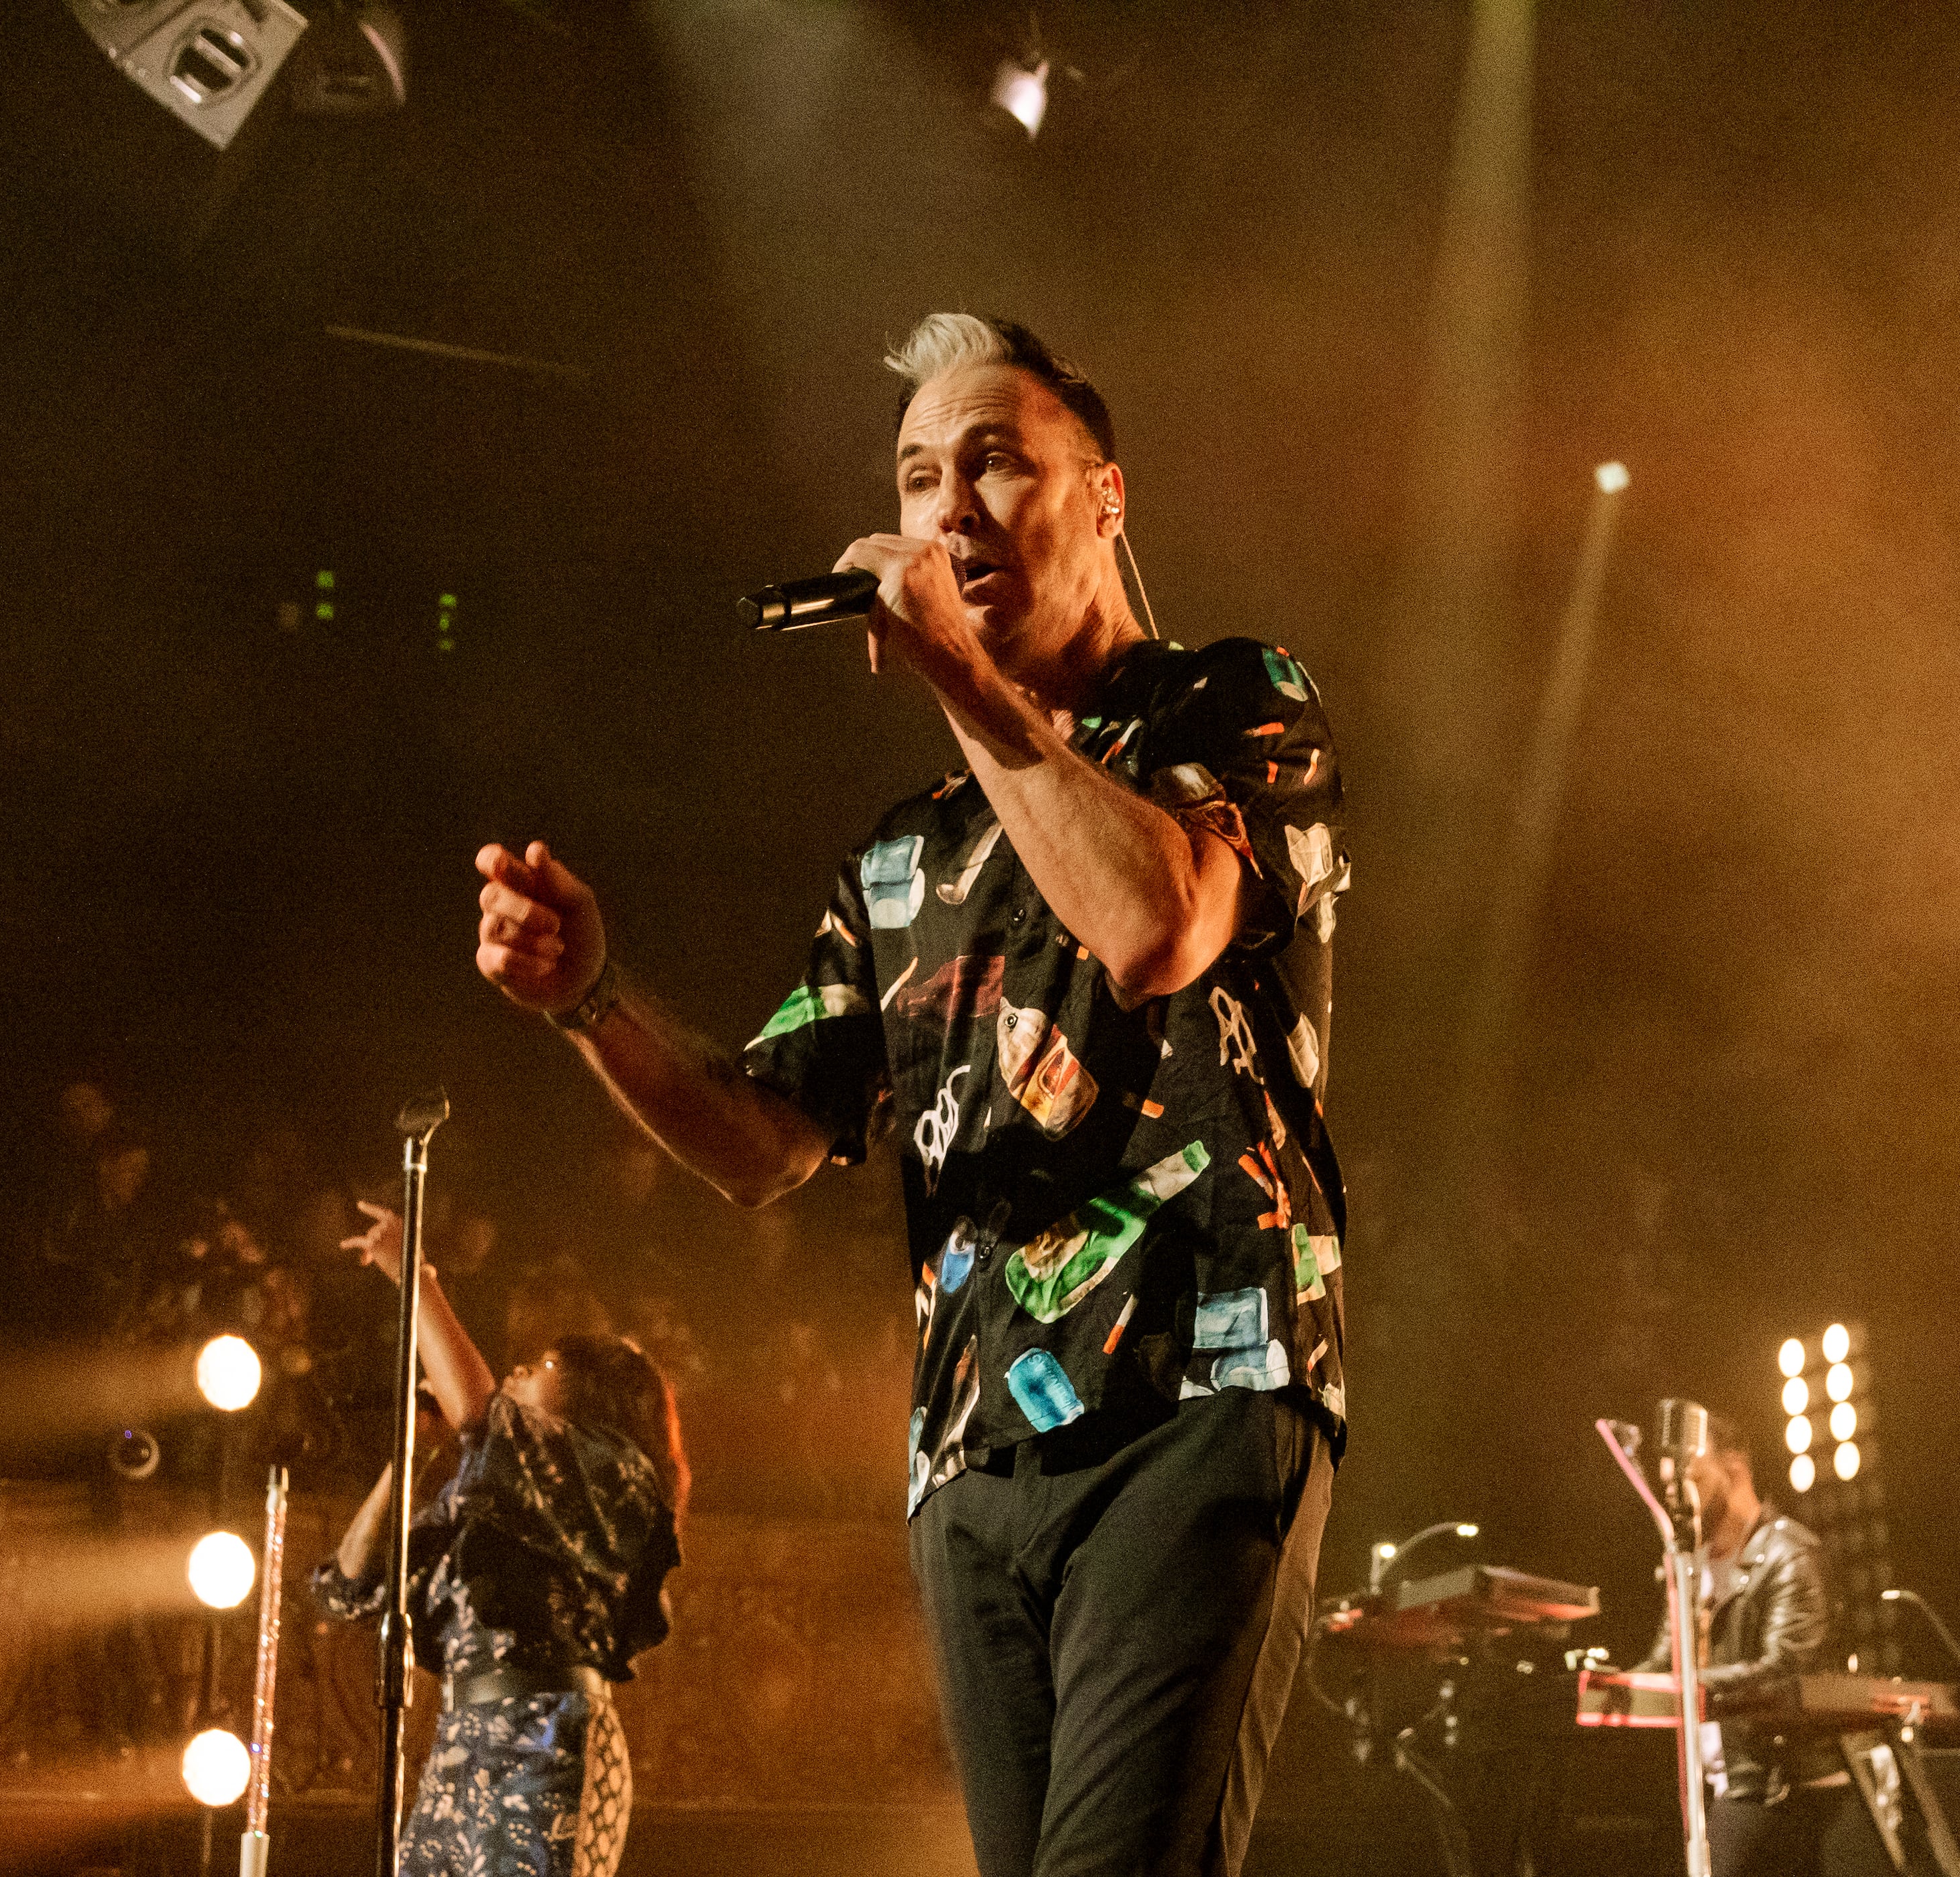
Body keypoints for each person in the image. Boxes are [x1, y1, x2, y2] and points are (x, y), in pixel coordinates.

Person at [470, 312, 1348, 1877]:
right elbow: (763, 1139)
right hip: (971, 1453)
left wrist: (954, 668)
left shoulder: (1230, 699)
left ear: (1106, 499)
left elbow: (1159, 925)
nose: (949, 504)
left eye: (997, 460)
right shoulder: (904, 850)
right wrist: (589, 1002)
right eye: (919, 473)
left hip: (1197, 1388)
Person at [313, 1200, 686, 1877]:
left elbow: (485, 1417)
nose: (517, 1374)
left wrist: (416, 1279)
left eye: (540, 1365)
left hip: (549, 1733)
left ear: (594, 1392)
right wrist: (409, 1457)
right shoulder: (489, 1504)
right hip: (461, 1744)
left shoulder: (616, 1471)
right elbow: (345, 1587)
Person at [1635, 1417, 1887, 1877]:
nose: (1676, 1499)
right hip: (1731, 1784)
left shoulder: (1789, 1554)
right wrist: (1611, 1682)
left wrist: (1679, 1685)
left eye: (1689, 1481)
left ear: (1734, 1469)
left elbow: (1783, 1670)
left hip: (1793, 1787)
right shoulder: (1688, 1567)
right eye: (1669, 1488)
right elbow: (1662, 1661)